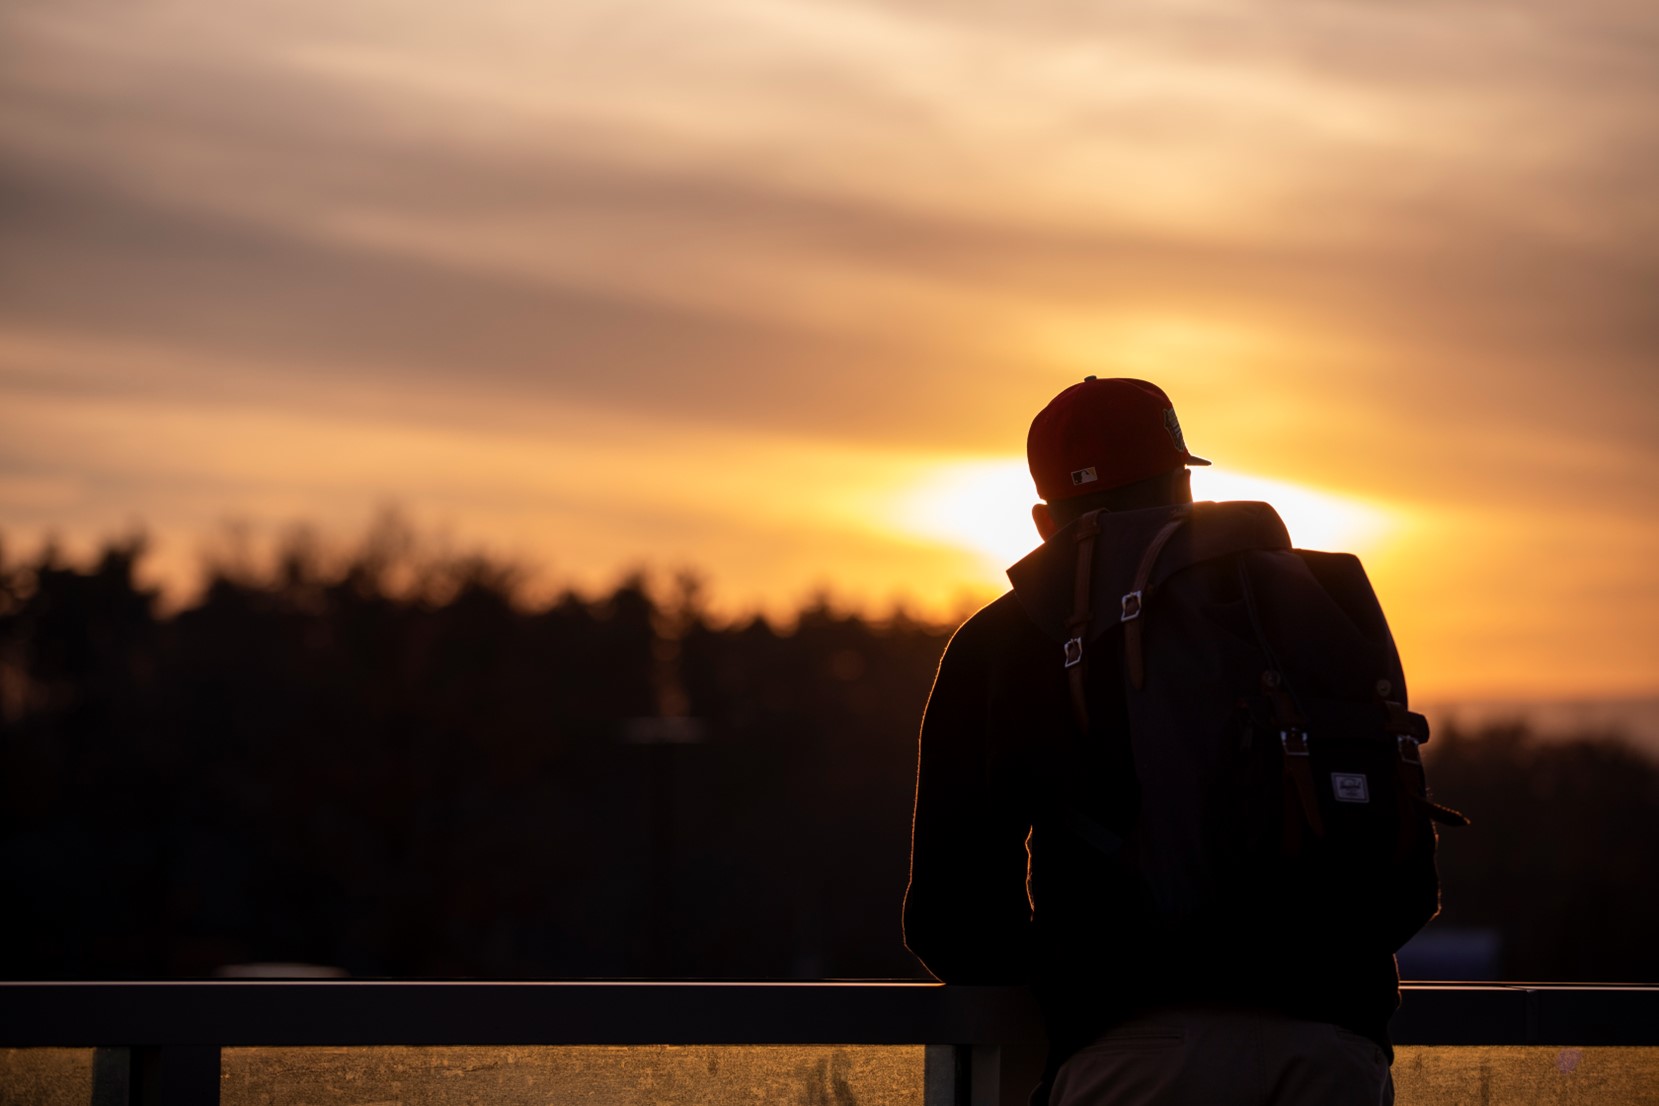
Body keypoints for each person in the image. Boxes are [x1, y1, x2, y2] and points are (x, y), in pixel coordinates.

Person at [903, 377, 1401, 1106]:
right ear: (1183, 487)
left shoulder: (1002, 640)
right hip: (1331, 1050)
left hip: (1127, 1057)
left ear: (1044, 521)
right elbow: (1394, 844)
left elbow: (951, 920)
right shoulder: (1317, 601)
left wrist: (1075, 973)